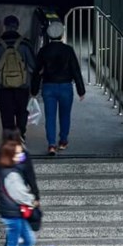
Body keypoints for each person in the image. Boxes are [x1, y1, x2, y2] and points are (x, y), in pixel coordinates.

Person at [31, 22, 86, 156]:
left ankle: (51, 144)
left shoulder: (43, 51)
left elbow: (36, 71)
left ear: (49, 35)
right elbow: (76, 71)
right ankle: (63, 141)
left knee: (50, 117)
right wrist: (81, 90)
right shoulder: (68, 50)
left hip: (48, 87)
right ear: (62, 35)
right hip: (66, 87)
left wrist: (33, 90)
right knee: (65, 115)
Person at [0, 15, 36, 139]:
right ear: (17, 27)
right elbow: (34, 66)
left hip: (3, 86)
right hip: (22, 86)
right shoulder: (25, 45)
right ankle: (20, 134)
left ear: (4, 27)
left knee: (6, 113)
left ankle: (9, 137)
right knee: (22, 112)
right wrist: (35, 86)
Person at [0, 141, 37, 246]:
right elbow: (19, 193)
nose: (21, 156)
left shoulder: (7, 169)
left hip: (13, 212)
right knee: (13, 245)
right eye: (18, 153)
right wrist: (32, 201)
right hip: (12, 213)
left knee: (29, 239)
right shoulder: (11, 173)